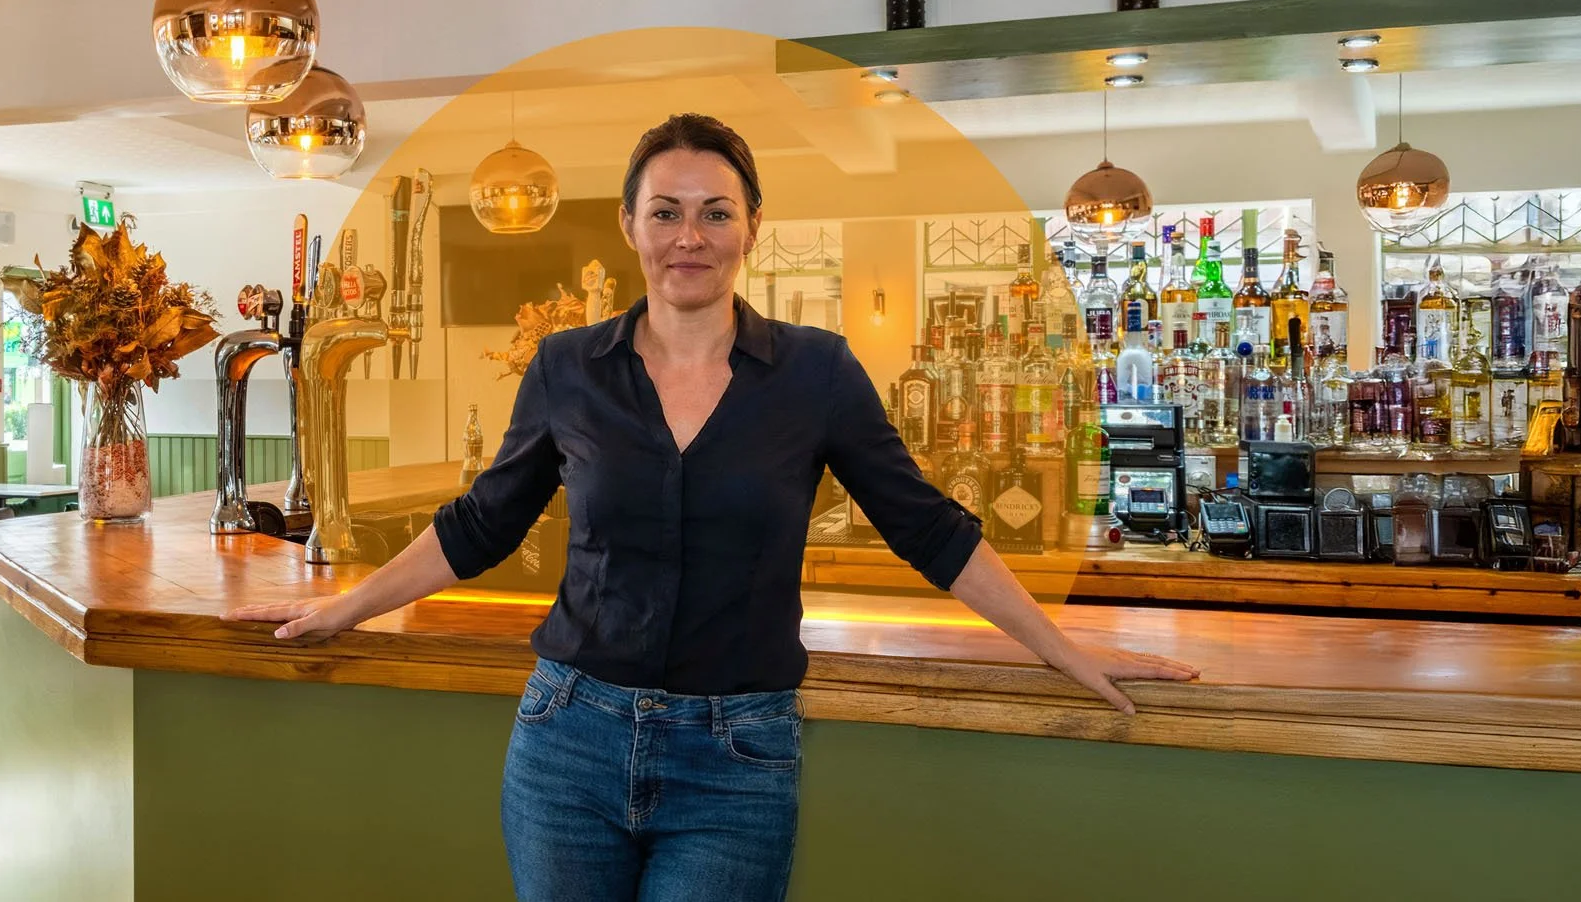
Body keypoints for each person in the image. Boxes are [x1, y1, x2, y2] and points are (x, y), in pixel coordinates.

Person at [228, 113, 1199, 901]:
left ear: (748, 227)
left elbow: (927, 528)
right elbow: (481, 523)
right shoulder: (569, 366)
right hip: (567, 737)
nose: (687, 233)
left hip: (737, 754)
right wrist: (341, 606)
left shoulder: (815, 372)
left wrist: (1065, 645)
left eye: (713, 210)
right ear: (630, 225)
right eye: (665, 210)